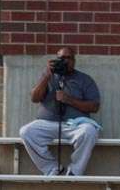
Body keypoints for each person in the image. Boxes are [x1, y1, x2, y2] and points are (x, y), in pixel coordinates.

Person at [19, 47, 101, 176]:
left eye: (69, 58)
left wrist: (69, 100)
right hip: (48, 122)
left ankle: (75, 171)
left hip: (75, 124)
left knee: (89, 131)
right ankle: (52, 168)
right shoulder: (48, 77)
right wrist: (46, 77)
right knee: (26, 131)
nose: (65, 61)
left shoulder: (84, 79)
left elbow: (94, 106)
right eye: (62, 58)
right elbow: (35, 98)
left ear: (74, 61)